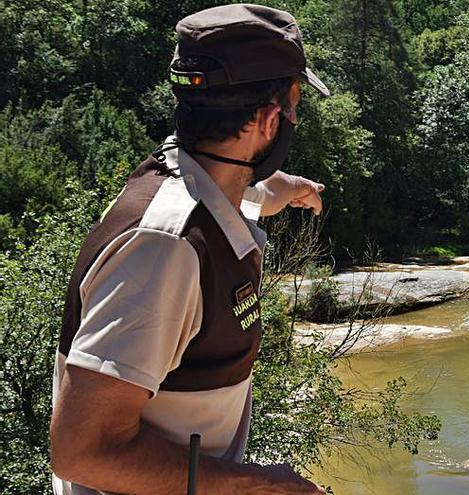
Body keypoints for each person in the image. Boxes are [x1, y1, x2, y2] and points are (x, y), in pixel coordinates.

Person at [49, 4, 328, 494]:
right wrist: (259, 485)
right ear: (269, 120)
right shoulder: (165, 249)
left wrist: (289, 186)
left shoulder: (181, 174)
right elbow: (83, 453)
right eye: (293, 105)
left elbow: (239, 192)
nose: (293, 120)